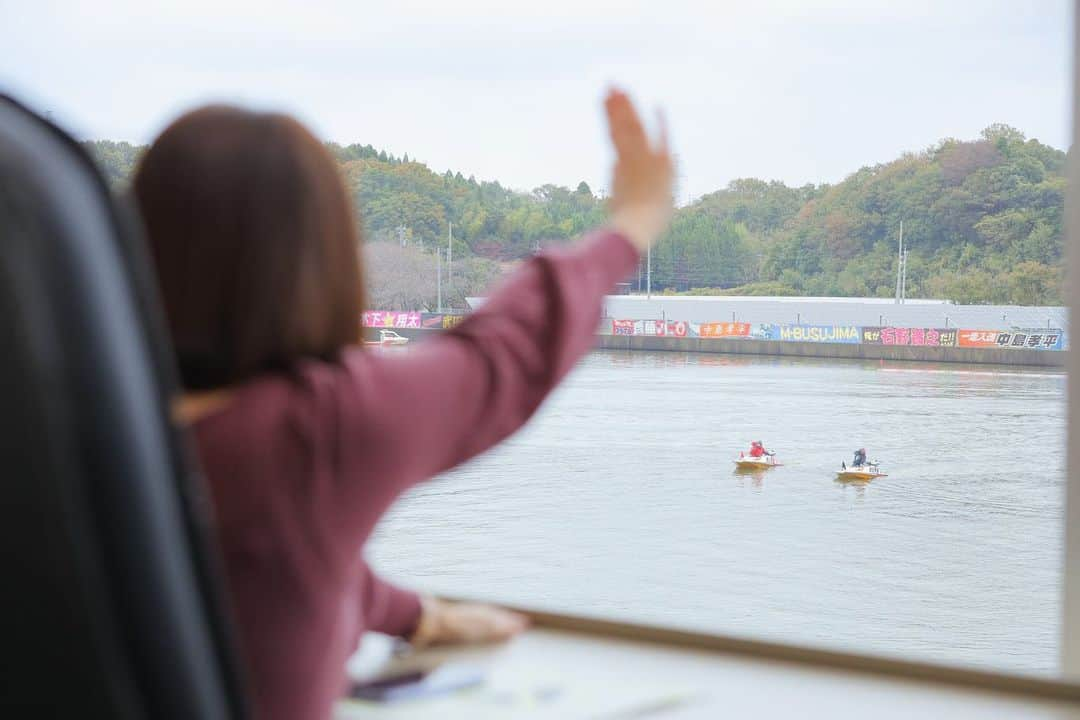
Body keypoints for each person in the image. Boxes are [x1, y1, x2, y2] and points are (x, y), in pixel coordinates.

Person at [133, 88, 673, 720]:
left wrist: (417, 617)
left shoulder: (69, 418)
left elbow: (267, 567)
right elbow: (503, 354)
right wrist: (632, 223)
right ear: (319, 263)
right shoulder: (311, 432)